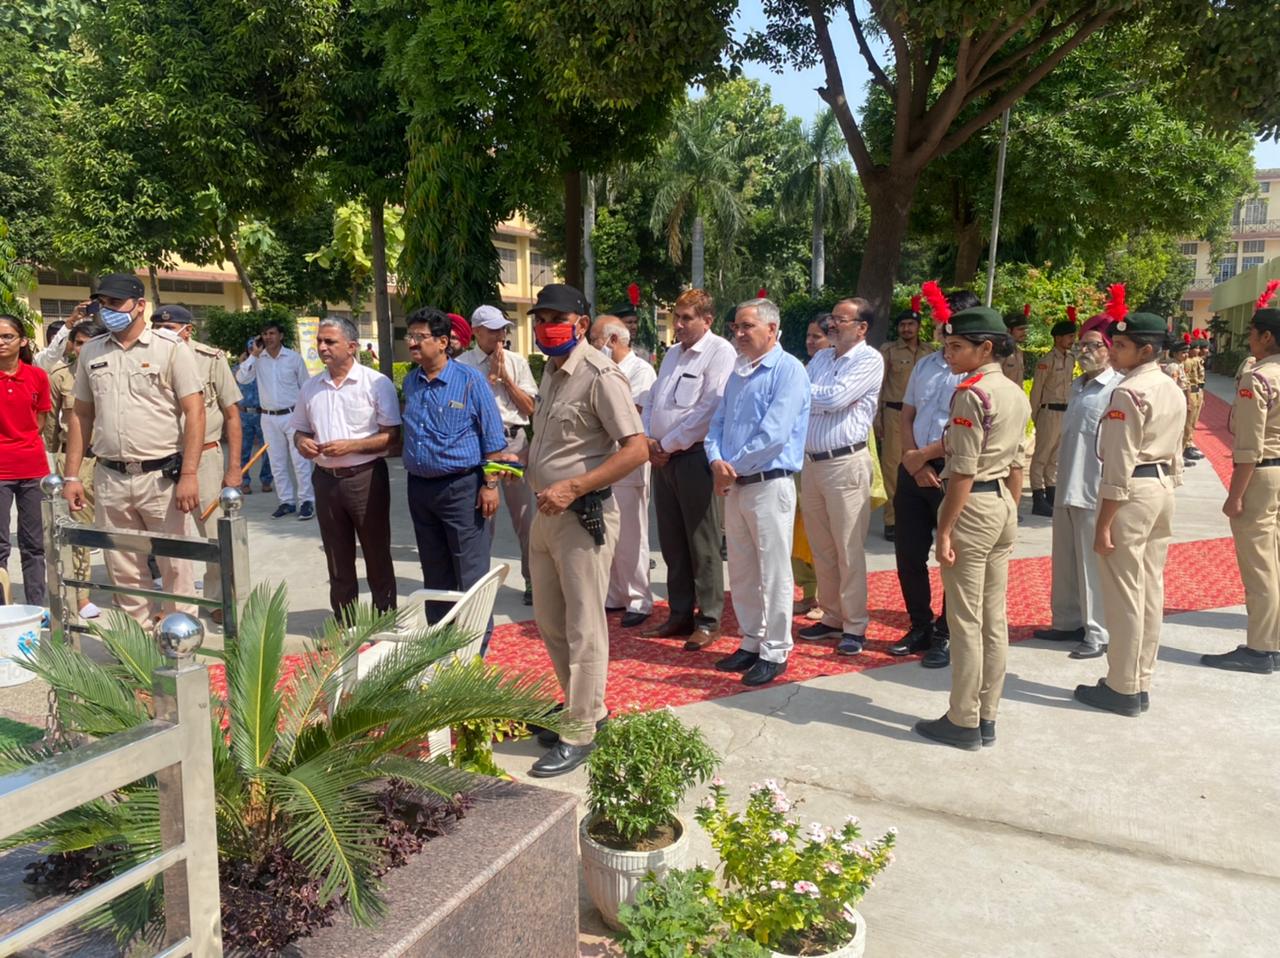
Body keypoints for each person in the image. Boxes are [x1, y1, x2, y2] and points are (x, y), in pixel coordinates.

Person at [524, 284, 647, 777]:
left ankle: (581, 730)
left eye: (555, 317)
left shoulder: (601, 374)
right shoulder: (551, 374)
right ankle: (586, 710)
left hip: (582, 515)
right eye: (539, 318)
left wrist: (574, 486)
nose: (544, 326)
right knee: (551, 622)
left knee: (584, 626)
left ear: (579, 323)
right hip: (544, 515)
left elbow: (636, 448)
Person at [914, 305, 1030, 750]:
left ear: (986, 348)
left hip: (973, 503)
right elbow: (1019, 461)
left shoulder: (972, 393)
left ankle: (963, 719)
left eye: (957, 346)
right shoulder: (1013, 392)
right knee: (992, 618)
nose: (949, 353)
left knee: (965, 621)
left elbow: (961, 470)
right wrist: (1011, 511)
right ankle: (987, 715)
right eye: (946, 345)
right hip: (1000, 500)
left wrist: (945, 531)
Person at [62, 273, 205, 623]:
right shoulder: (92, 351)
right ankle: (138, 651)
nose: (107, 310)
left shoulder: (170, 348)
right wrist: (71, 477)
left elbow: (195, 410)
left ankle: (179, 648)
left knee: (176, 566)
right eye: (103, 303)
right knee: (124, 568)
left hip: (161, 478)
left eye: (115, 303)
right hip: (110, 476)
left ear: (140, 306)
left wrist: (189, 473)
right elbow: (81, 415)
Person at [1074, 292, 1183, 717]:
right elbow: (1176, 448)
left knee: (1122, 594)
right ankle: (1140, 680)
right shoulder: (1169, 386)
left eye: (1120, 345)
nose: (1113, 351)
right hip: (1160, 489)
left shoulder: (1129, 393)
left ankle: (1121, 686)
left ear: (1147, 350)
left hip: (1131, 492)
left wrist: (1104, 523)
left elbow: (1117, 467)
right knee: (1149, 590)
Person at [707, 298, 811, 687]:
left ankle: (776, 648)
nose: (738, 333)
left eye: (747, 326)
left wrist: (729, 469)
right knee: (743, 568)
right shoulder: (739, 372)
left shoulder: (789, 371)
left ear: (772, 329)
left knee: (773, 571)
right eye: (736, 326)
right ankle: (751, 641)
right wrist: (717, 462)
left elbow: (774, 435)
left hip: (770, 483)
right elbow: (716, 425)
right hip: (735, 484)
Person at [401, 307, 507, 648]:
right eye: (410, 337)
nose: (413, 344)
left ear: (443, 342)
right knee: (434, 570)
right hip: (420, 489)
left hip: (462, 488)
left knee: (470, 573)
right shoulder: (410, 381)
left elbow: (493, 440)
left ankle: (475, 650)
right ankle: (440, 644)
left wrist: (490, 486)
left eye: (420, 337)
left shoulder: (470, 381)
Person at [642, 289, 736, 649]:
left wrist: (666, 444)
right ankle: (680, 614)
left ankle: (710, 619)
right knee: (672, 541)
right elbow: (654, 399)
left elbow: (709, 409)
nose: (678, 325)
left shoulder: (719, 352)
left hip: (694, 456)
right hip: (664, 459)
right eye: (676, 317)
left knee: (703, 542)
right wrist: (651, 440)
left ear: (707, 320)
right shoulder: (671, 355)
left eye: (686, 318)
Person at [290, 316, 401, 621]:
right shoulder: (311, 388)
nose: (322, 347)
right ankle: (345, 623)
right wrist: (302, 443)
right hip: (326, 481)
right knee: (337, 558)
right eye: (320, 342)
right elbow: (299, 430)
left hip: (365, 478)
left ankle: (384, 620)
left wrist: (350, 447)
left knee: (376, 554)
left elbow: (392, 437)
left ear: (351, 346)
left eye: (330, 342)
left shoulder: (375, 383)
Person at [796, 297, 883, 655]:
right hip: (812, 463)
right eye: (832, 319)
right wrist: (807, 395)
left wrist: (803, 393)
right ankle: (832, 616)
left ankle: (855, 624)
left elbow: (835, 399)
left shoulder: (869, 359)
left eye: (841, 320)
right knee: (822, 547)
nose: (832, 325)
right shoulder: (820, 358)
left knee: (848, 548)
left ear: (861, 328)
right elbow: (812, 400)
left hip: (845, 463)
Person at [1031, 315, 1121, 659]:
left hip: (1093, 488)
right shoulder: (1078, 384)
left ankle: (1097, 632)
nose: (1084, 351)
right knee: (1065, 560)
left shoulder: (1116, 389)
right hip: (1067, 483)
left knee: (1090, 563)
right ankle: (1067, 621)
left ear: (1110, 351)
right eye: (1082, 344)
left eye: (1093, 345)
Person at [1202, 281, 1280, 674]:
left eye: (1251, 333)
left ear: (1267, 337)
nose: (1248, 339)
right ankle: (1274, 640)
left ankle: (1261, 647)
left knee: (1260, 564)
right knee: (1276, 560)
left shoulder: (1260, 378)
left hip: (1263, 474)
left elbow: (1249, 446)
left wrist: (1236, 495)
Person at [888, 292, 969, 668]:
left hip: (953, 472)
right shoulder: (925, 365)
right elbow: (907, 415)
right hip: (914, 467)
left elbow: (967, 432)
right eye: (939, 321)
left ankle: (947, 632)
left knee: (952, 555)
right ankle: (919, 624)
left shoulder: (976, 373)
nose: (941, 327)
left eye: (948, 321)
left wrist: (926, 457)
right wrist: (914, 460)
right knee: (908, 553)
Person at [150, 305, 242, 620]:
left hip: (205, 455)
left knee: (215, 532)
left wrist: (233, 467)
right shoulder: (147, 357)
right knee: (166, 534)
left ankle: (218, 599)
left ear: (188, 330)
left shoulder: (210, 359)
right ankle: (173, 603)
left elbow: (232, 414)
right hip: (160, 457)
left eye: (170, 328)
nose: (162, 333)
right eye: (157, 328)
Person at [458, 305, 539, 604]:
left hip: (514, 443)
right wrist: (487, 381)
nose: (499, 335)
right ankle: (480, 586)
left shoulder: (516, 362)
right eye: (492, 330)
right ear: (476, 332)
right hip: (480, 448)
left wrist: (505, 378)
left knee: (524, 517)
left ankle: (532, 580)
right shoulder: (463, 365)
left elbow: (530, 407)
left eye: (503, 329)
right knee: (482, 518)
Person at [590, 314, 657, 628]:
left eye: (595, 340)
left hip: (628, 463)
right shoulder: (602, 369)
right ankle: (615, 594)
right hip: (604, 463)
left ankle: (638, 598)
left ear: (612, 340)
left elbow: (635, 413)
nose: (592, 345)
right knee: (610, 535)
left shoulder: (640, 371)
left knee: (632, 534)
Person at [44, 318, 107, 619]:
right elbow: (51, 428)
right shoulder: (60, 377)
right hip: (77, 460)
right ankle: (81, 595)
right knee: (79, 530)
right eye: (78, 343)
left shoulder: (114, 373)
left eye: (89, 343)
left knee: (122, 529)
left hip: (115, 461)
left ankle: (134, 588)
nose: (83, 349)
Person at [235, 320, 313, 519]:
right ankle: (286, 501)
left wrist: (309, 419)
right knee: (276, 462)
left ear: (281, 336)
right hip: (268, 417)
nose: (268, 337)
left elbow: (305, 388)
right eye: (265, 334)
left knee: (300, 461)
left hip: (293, 416)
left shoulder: (294, 359)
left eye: (272, 333)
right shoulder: (258, 360)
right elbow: (241, 378)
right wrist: (253, 355)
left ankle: (306, 501)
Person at [0, 314, 52, 607]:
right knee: (0, 545)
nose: (1, 342)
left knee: (34, 545)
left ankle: (36, 606)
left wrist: (21, 442)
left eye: (7, 336)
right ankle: (3, 608)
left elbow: (40, 419)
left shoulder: (37, 376)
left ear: (22, 341)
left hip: (33, 469)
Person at [877, 299, 934, 542]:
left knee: (925, 463)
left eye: (911, 324)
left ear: (919, 326)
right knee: (892, 466)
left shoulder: (930, 352)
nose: (906, 329)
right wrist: (877, 417)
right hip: (894, 413)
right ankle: (892, 519)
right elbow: (878, 386)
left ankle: (923, 516)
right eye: (902, 325)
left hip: (923, 415)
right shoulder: (889, 351)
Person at [792, 316, 830, 616]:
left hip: (826, 461)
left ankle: (823, 596)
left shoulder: (834, 373)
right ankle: (807, 592)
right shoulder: (802, 370)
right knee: (795, 529)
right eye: (808, 335)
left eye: (817, 336)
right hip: (798, 460)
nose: (810, 341)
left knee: (818, 532)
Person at [1028, 317, 1076, 516]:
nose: (1072, 340)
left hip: (1064, 411)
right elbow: (1036, 390)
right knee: (1041, 456)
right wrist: (1035, 416)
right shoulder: (1046, 361)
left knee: (1055, 457)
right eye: (1069, 336)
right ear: (1058, 338)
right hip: (1048, 411)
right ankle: (1038, 497)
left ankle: (1051, 492)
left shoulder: (1071, 359)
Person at [232, 350, 274, 494]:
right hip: (244, 415)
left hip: (262, 414)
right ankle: (244, 481)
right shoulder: (238, 371)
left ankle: (267, 480)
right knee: (244, 450)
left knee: (267, 450)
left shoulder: (264, 370)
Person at [1182, 332, 1207, 462]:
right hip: (1190, 392)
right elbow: (1186, 380)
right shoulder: (1187, 362)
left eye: (1199, 348)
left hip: (1197, 391)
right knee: (1187, 423)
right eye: (1195, 348)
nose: (1198, 350)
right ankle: (1184, 448)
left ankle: (1189, 444)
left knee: (1193, 422)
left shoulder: (1197, 360)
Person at [1002, 308, 1030, 384]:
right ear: (1008, 330)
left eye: (1025, 329)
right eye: (1020, 329)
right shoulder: (1000, 352)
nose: (1024, 333)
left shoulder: (1019, 353)